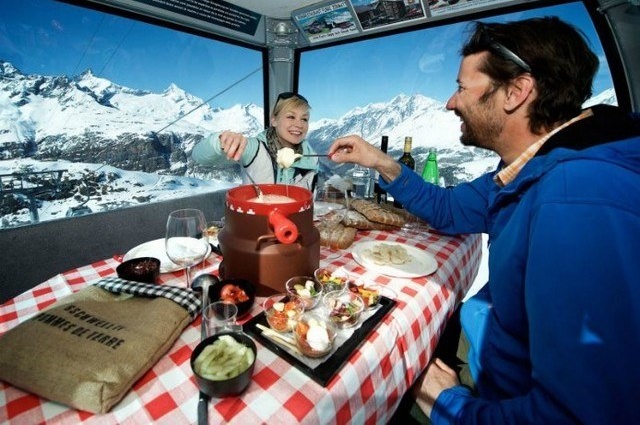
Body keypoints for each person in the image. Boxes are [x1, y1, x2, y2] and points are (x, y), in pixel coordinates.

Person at [329, 17, 640, 424]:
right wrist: (381, 162)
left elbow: (579, 415)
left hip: (498, 400)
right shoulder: (530, 167)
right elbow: (448, 209)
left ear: (516, 91)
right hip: (492, 363)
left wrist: (450, 404)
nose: (450, 102)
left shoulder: (577, 199)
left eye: (461, 87)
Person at [192, 92, 318, 191]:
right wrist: (220, 141)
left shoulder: (312, 158)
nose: (299, 124)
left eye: (304, 119)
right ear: (274, 120)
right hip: (257, 221)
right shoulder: (255, 149)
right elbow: (198, 157)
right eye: (291, 117)